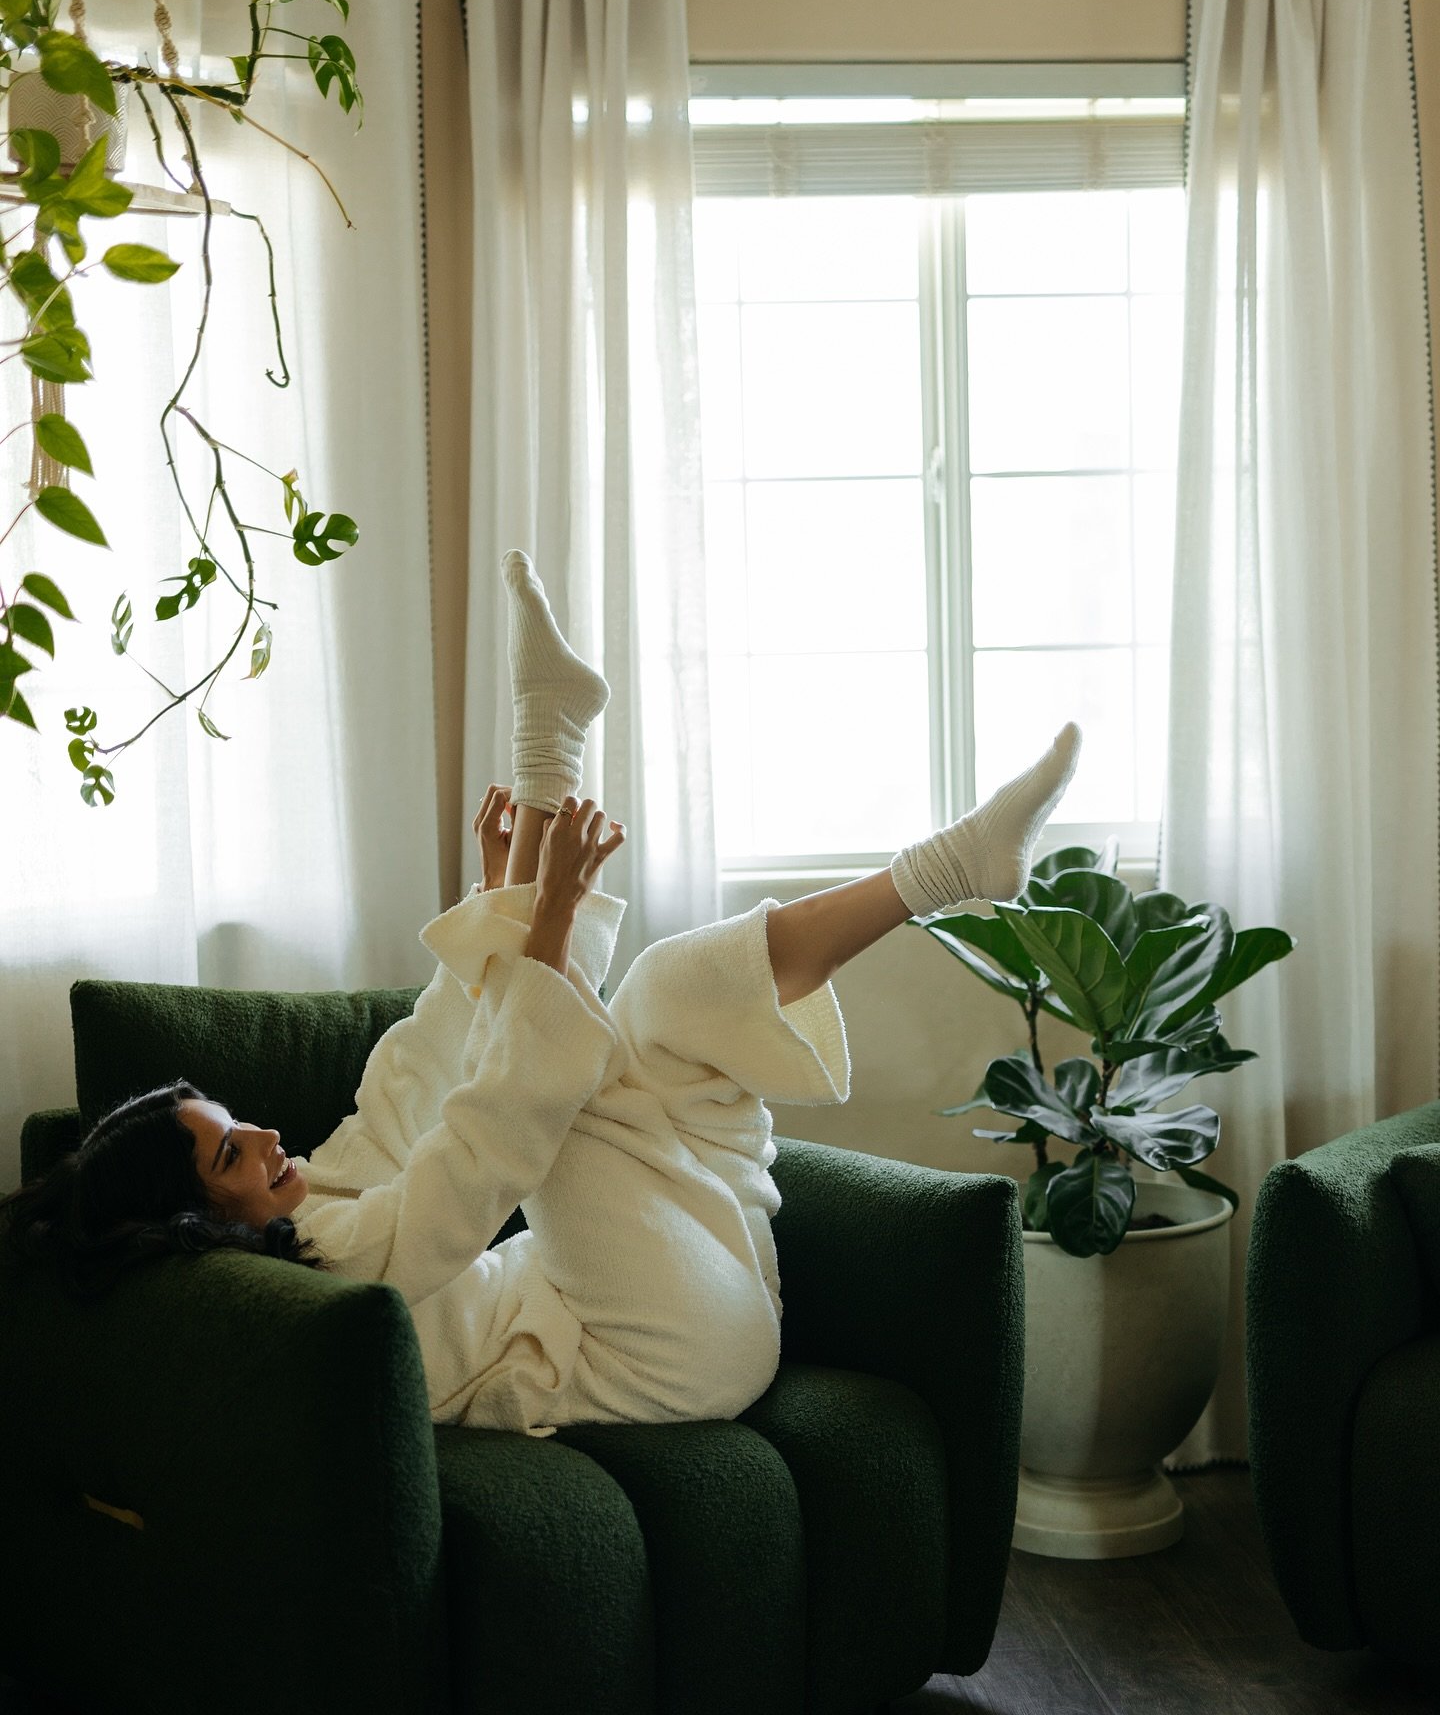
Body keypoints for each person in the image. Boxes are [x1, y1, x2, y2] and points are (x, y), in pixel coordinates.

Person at [2, 551, 1081, 1435]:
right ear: (197, 1218)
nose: (268, 1134)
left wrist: (508, 893)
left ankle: (940, 869)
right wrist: (542, 916)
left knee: (655, 1000)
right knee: (546, 1089)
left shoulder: (309, 1217)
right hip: (662, 1349)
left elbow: (419, 1082)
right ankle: (555, 758)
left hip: (681, 1280)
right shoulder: (317, 1286)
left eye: (238, 1124)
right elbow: (482, 1155)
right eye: (232, 1151)